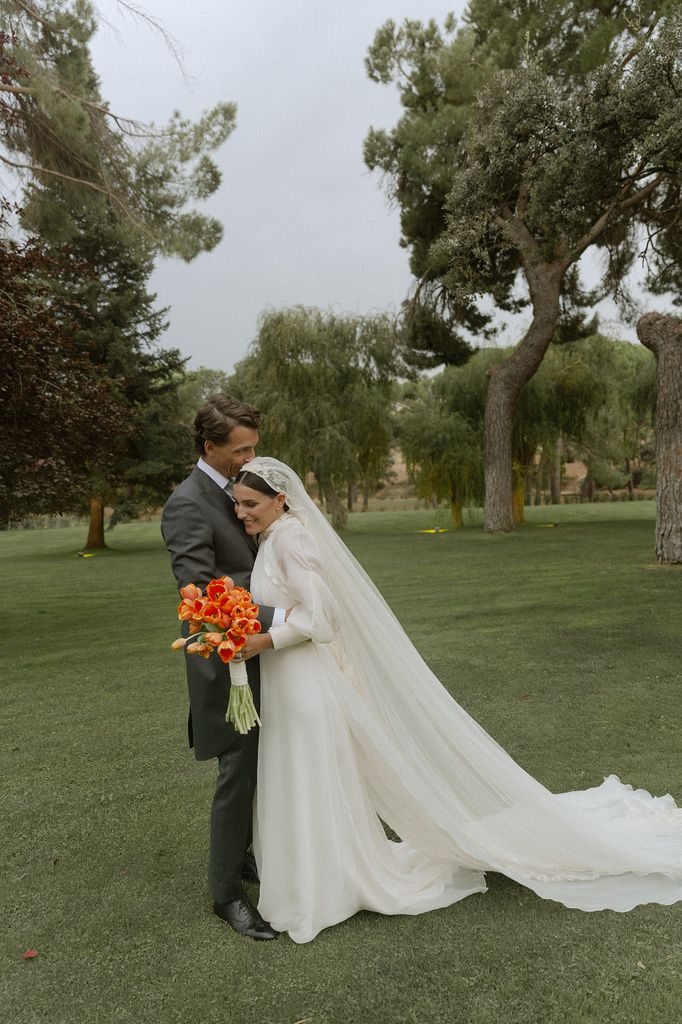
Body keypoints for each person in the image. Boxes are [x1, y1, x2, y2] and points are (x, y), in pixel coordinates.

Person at [232, 457, 682, 945]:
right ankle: (316, 877)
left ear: (281, 499)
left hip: (304, 683)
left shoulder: (293, 538)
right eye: (237, 504)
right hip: (286, 681)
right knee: (301, 777)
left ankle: (326, 886)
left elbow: (323, 619)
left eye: (251, 504)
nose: (242, 513)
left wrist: (264, 642)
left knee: (309, 776)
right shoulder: (273, 537)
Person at [161, 396, 283, 941]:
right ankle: (225, 894)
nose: (250, 457)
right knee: (238, 772)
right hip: (228, 659)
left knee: (262, 763)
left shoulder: (237, 489)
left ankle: (243, 855)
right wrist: (288, 615)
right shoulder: (188, 503)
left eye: (253, 446)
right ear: (210, 448)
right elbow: (199, 590)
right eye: (241, 449)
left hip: (262, 648)